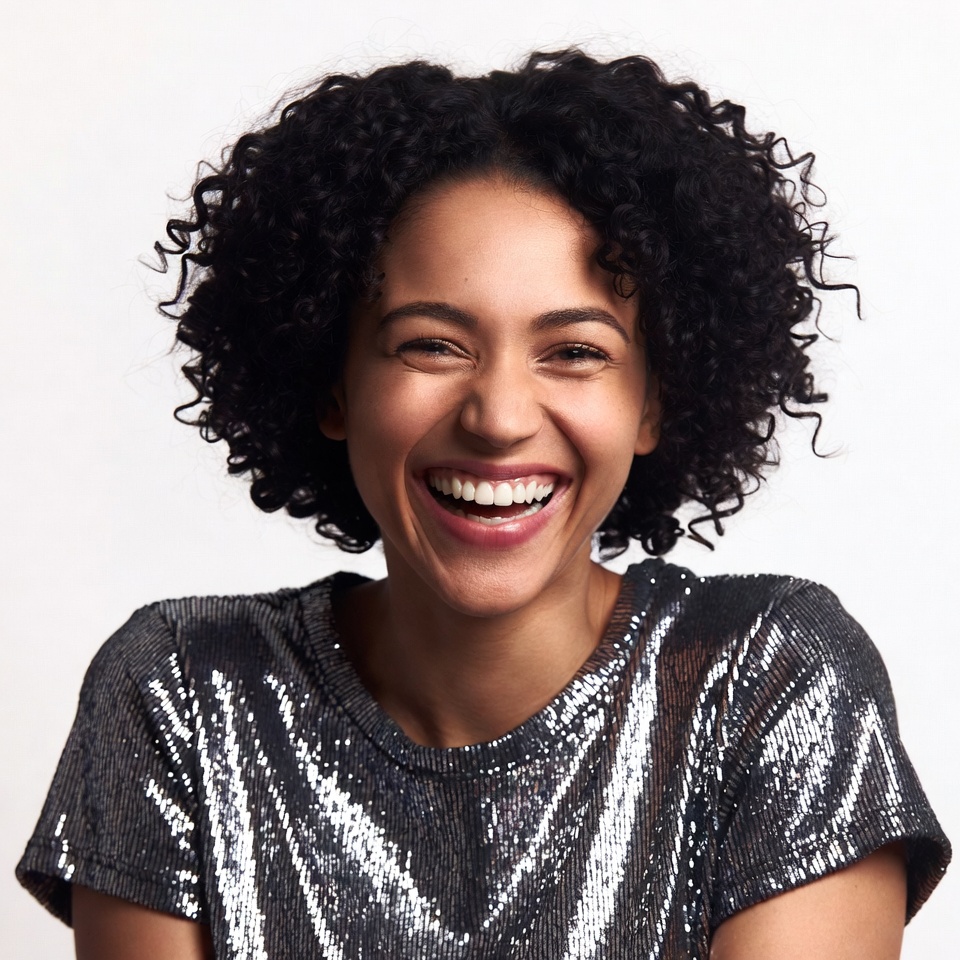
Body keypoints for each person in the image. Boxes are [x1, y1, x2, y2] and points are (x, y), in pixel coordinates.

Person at [16, 50, 949, 959]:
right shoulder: (181, 691)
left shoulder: (770, 683)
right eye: (431, 345)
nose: (499, 417)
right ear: (332, 386)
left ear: (654, 403)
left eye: (575, 351)